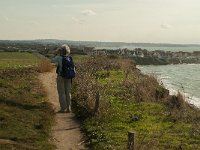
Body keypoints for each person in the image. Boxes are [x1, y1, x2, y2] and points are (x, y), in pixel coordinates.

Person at [51, 44, 73, 113]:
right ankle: (69, 108)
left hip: (61, 76)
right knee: (68, 92)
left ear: (61, 51)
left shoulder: (58, 57)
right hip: (69, 77)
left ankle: (63, 109)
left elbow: (51, 60)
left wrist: (56, 53)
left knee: (62, 93)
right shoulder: (69, 58)